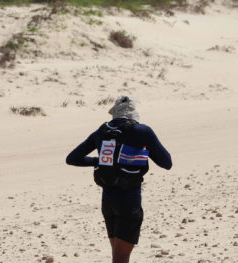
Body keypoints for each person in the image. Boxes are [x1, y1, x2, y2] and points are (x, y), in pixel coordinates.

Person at [66, 96, 172, 263]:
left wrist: (98, 161)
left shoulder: (102, 131)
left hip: (108, 201)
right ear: (133, 115)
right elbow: (167, 163)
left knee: (117, 257)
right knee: (121, 259)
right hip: (129, 201)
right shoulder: (142, 131)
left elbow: (72, 158)